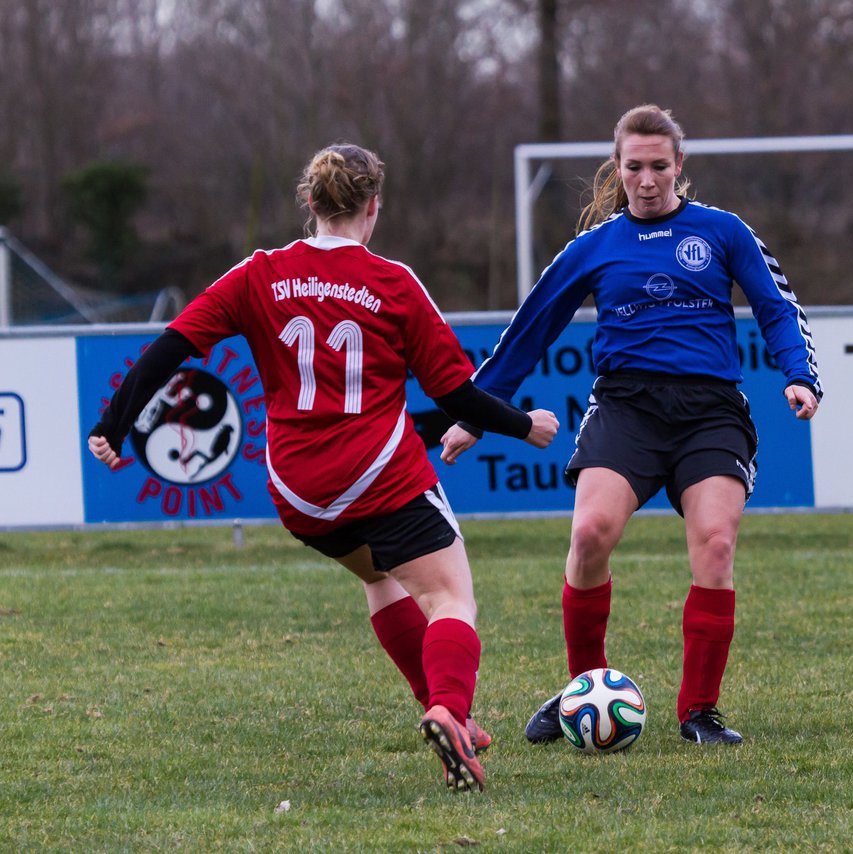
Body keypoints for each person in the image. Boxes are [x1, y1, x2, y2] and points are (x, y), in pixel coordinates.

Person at [88, 143, 560, 791]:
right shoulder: (393, 282)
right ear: (374, 208)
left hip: (300, 492)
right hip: (381, 476)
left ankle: (447, 710)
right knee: (449, 596)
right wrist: (521, 425)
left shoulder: (258, 274)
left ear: (310, 204)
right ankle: (450, 707)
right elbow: (453, 394)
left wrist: (113, 425)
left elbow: (172, 346)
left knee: (381, 580)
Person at [440, 104, 822, 745]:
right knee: (589, 535)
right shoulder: (593, 247)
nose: (648, 179)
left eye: (659, 166)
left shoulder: (724, 232)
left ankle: (699, 712)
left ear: (680, 166)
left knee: (717, 546)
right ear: (618, 168)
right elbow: (529, 332)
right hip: (626, 408)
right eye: (635, 166)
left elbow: (777, 307)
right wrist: (476, 415)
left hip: (710, 413)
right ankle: (582, 694)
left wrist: (798, 374)